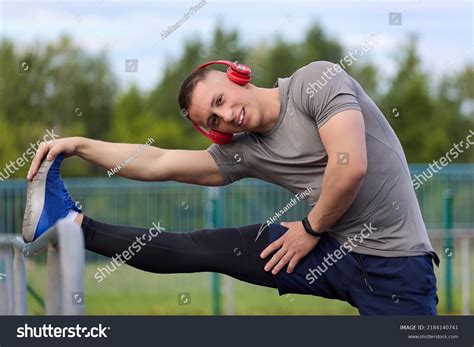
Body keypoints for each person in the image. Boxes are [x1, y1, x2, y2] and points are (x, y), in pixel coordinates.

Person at [24, 60, 439, 315]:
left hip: (395, 265)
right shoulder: (246, 151)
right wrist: (78, 145)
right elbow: (160, 162)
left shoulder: (317, 82)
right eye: (213, 120)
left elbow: (349, 168)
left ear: (238, 76)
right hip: (332, 247)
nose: (226, 116)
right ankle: (75, 224)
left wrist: (309, 231)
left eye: (220, 100)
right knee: (200, 247)